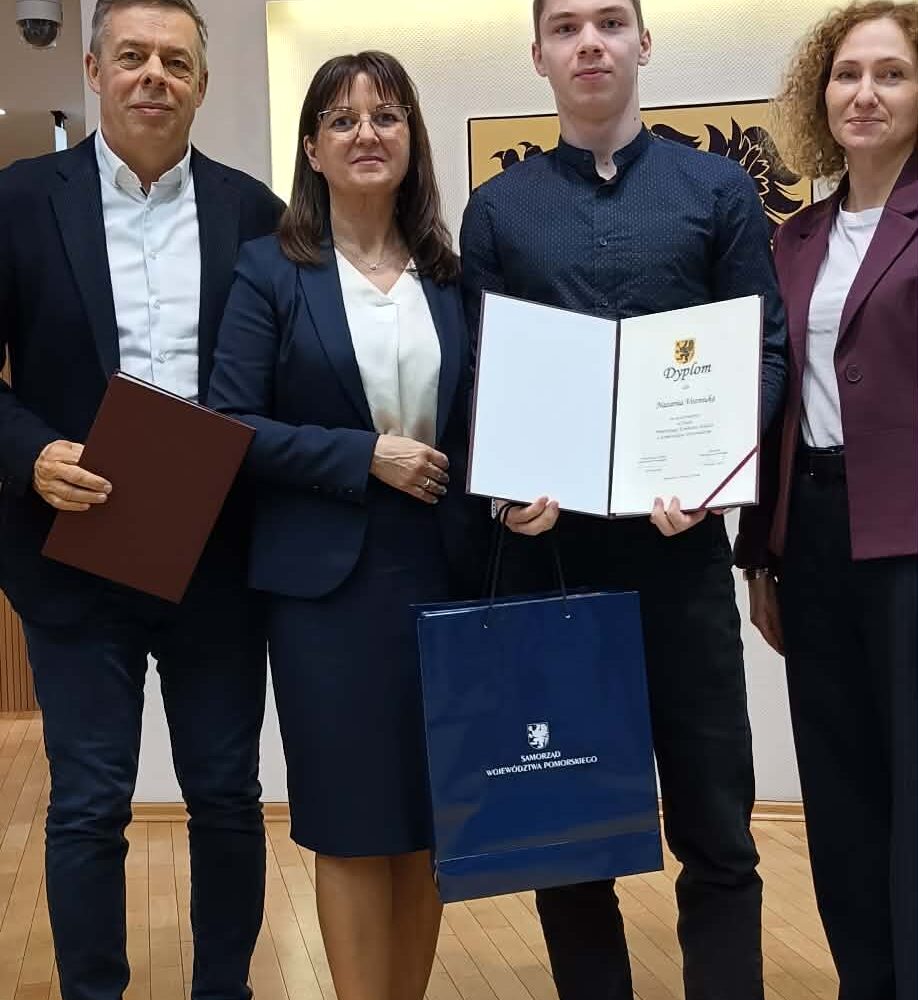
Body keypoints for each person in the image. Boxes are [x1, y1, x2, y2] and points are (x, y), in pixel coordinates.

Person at [459, 1, 787, 997]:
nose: (589, 42)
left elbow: (765, 349)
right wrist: (504, 492)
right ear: (539, 56)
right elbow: (478, 375)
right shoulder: (498, 210)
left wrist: (717, 471)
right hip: (554, 565)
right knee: (570, 834)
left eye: (610, 21)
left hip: (681, 557)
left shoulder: (717, 190)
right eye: (566, 27)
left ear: (645, 42)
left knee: (718, 829)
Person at [0, 2, 283, 997]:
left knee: (228, 796)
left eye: (175, 60)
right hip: (71, 549)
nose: (153, 75)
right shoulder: (18, 201)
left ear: (202, 83)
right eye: (132, 57)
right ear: (93, 71)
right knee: (88, 803)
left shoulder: (257, 212)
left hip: (220, 555)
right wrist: (31, 452)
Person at [208, 51, 483, 1000]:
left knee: (431, 818)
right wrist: (362, 455)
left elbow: (483, 422)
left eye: (387, 115)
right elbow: (229, 425)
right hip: (327, 592)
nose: (367, 132)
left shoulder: (451, 277)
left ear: (412, 139)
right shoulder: (270, 272)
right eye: (342, 119)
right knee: (354, 822)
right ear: (312, 150)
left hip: (443, 572)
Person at [736, 3, 918, 996]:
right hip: (811, 534)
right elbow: (773, 405)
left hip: (912, 539)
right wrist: (759, 557)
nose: (865, 94)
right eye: (848, 74)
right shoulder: (795, 238)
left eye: (891, 74)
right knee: (840, 788)